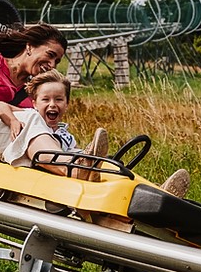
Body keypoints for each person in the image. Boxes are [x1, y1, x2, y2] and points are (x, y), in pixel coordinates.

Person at [0, 23, 98, 180]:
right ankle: (72, 168)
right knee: (31, 117)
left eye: (57, 61)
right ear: (30, 47)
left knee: (37, 120)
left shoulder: (33, 89)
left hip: (10, 136)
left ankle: (76, 158)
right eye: (50, 55)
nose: (52, 65)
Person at [25, 68, 191, 198]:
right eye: (45, 100)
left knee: (116, 171)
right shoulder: (35, 126)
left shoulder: (66, 135)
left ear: (67, 104)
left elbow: (71, 148)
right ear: (34, 104)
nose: (53, 104)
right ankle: (86, 164)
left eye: (59, 99)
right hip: (65, 178)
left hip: (79, 171)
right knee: (108, 178)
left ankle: (157, 193)